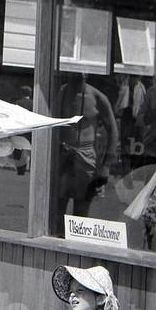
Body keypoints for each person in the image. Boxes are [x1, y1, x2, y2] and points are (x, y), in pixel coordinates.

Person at [57, 73, 119, 217]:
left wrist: (106, 166)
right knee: (57, 209)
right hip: (63, 155)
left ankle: (76, 238)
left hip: (86, 158)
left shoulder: (98, 97)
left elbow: (113, 131)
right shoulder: (61, 93)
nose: (81, 74)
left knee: (81, 210)